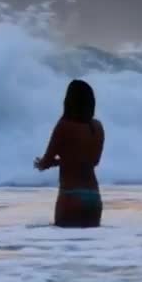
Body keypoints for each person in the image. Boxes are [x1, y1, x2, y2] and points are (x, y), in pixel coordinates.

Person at [34, 79, 104, 228]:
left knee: (65, 247)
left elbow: (46, 161)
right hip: (94, 197)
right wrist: (64, 160)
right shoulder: (97, 127)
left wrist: (41, 164)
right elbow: (93, 161)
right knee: (91, 249)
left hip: (71, 195)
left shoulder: (64, 126)